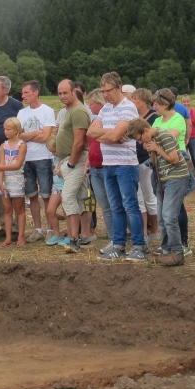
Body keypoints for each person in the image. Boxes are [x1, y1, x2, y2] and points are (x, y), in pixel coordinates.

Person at [88, 72, 145, 260]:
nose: (105, 94)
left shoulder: (127, 108)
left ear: (118, 88)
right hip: (109, 163)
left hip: (125, 164)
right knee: (115, 206)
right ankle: (118, 244)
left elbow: (112, 136)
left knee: (130, 205)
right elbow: (91, 132)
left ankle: (138, 245)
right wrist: (111, 133)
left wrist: (107, 134)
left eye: (108, 90)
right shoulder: (105, 109)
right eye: (103, 91)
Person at [126, 118, 194, 266]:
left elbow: (174, 159)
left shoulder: (164, 136)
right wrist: (152, 152)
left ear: (145, 130)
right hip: (163, 179)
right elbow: (156, 163)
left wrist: (157, 149)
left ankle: (177, 252)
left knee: (169, 216)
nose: (139, 142)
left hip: (176, 178)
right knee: (162, 219)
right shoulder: (154, 139)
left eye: (139, 138)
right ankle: (167, 250)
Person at [18, 81, 57, 241]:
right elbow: (19, 135)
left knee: (46, 195)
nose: (23, 96)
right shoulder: (21, 113)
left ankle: (50, 229)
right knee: (32, 195)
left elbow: (46, 137)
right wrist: (37, 133)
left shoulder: (47, 111)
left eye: (26, 93)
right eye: (23, 93)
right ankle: (38, 229)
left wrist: (29, 135)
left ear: (35, 93)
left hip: (43, 157)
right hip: (26, 158)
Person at [55, 79, 92, 249]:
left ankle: (74, 239)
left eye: (65, 93)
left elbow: (79, 143)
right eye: (60, 93)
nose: (62, 96)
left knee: (68, 197)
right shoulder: (69, 110)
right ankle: (79, 237)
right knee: (78, 198)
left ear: (74, 92)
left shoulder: (78, 111)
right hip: (70, 160)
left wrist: (70, 164)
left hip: (76, 160)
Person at [0, 76, 23, 238]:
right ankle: (5, 225)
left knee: (15, 186)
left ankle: (17, 227)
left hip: (13, 151)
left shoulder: (16, 105)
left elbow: (21, 127)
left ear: (6, 90)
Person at [130, 89, 160, 244]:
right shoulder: (133, 117)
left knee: (149, 195)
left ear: (142, 100)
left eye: (135, 98)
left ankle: (155, 229)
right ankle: (143, 232)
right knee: (139, 197)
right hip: (134, 160)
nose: (132, 101)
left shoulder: (154, 117)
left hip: (147, 160)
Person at [86, 88, 114, 245]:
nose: (89, 107)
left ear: (100, 103)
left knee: (114, 204)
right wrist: (88, 163)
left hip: (107, 166)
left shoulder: (108, 121)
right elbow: (91, 144)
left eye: (91, 104)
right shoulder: (93, 122)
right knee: (105, 205)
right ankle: (113, 238)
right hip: (94, 168)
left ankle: (128, 235)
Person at [0, 118, 26, 247]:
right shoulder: (3, 146)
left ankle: (20, 237)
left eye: (8, 129)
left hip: (17, 179)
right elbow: (1, 164)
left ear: (16, 130)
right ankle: (8, 237)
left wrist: (2, 168)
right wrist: (0, 182)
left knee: (19, 209)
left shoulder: (22, 145)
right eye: (5, 129)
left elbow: (18, 165)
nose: (5, 132)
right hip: (6, 180)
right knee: (7, 209)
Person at [180, 95, 195, 187]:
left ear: (190, 102)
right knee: (183, 160)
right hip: (183, 138)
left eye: (187, 101)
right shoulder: (180, 113)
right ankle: (185, 181)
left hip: (193, 138)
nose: (186, 103)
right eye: (184, 102)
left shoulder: (194, 113)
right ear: (181, 103)